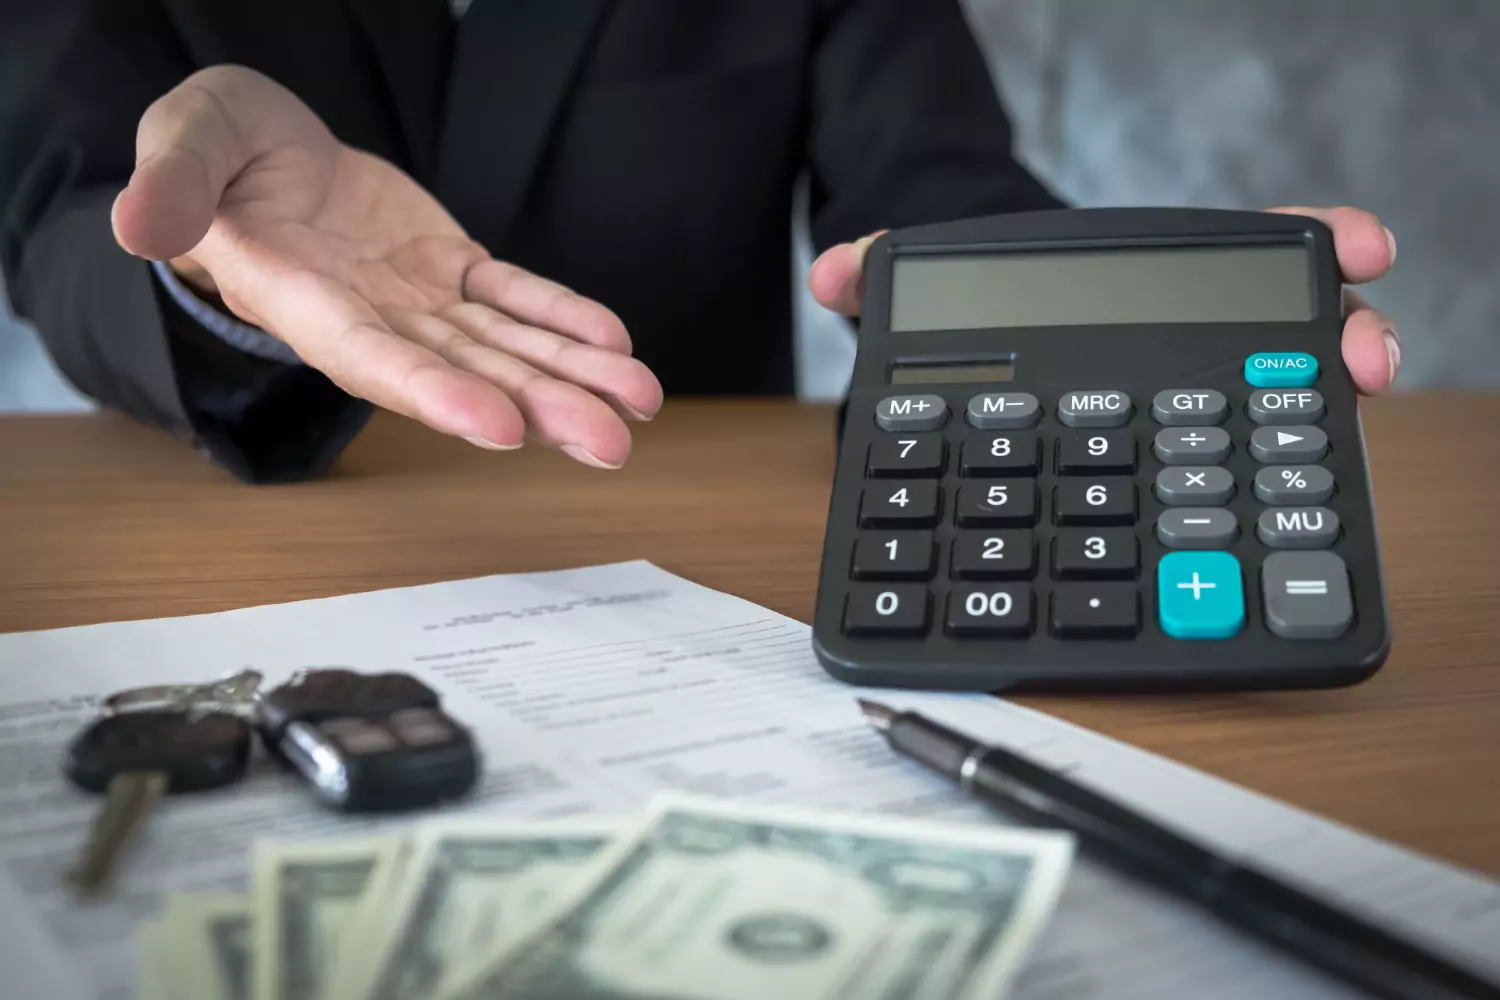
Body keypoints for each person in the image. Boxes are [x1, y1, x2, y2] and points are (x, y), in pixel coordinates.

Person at [0, 1, 1401, 484]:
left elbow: (934, 186)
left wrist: (1068, 304)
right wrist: (208, 268)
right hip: (250, 539)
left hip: (689, 538)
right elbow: (59, 214)